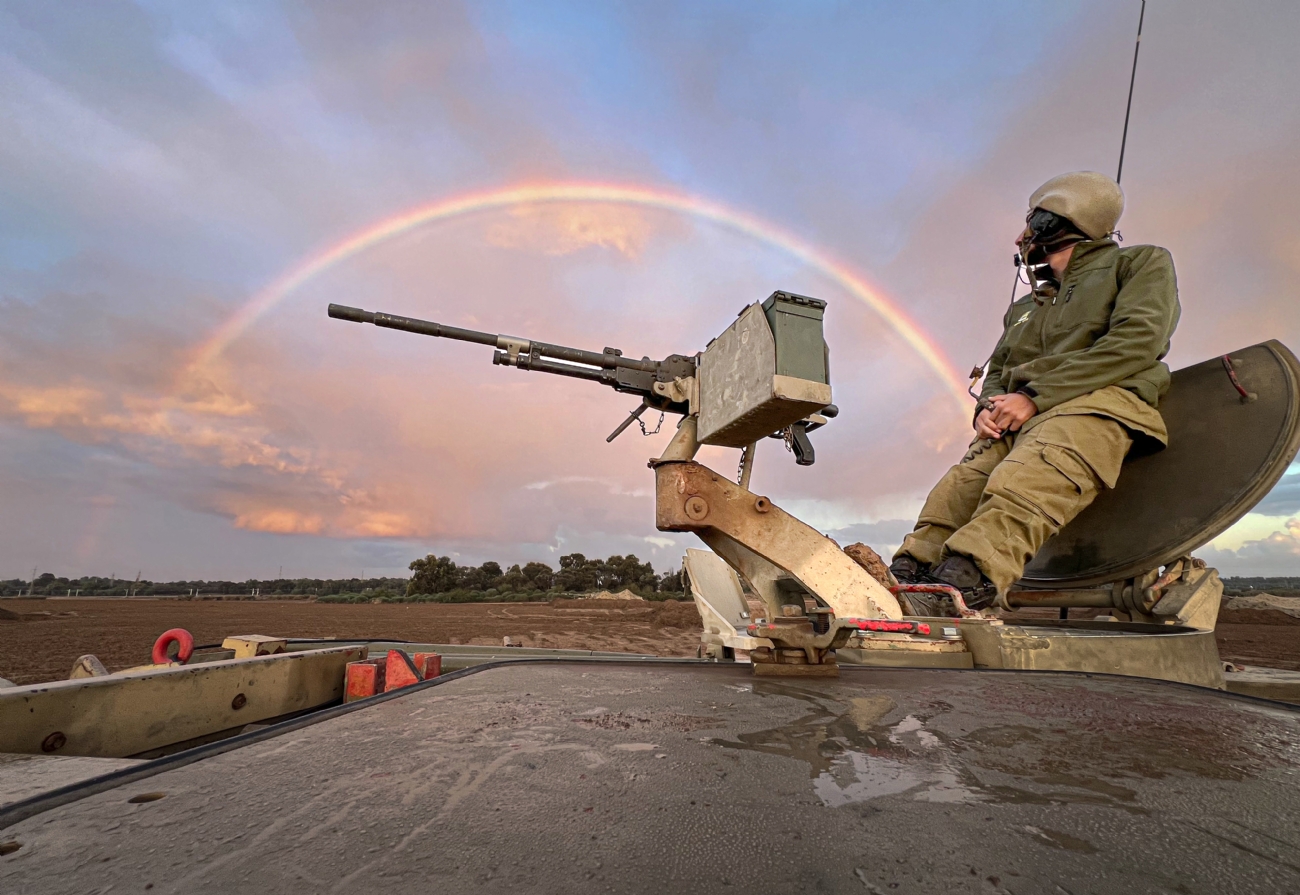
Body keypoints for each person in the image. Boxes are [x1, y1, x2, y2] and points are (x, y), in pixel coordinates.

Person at [890, 171, 1180, 615]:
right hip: (1018, 417)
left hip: (1097, 404)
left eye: (1031, 221)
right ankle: (905, 576)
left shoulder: (1138, 264)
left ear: (1053, 220)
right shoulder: (1028, 306)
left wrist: (1035, 396)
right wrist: (987, 408)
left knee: (1027, 478)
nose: (1020, 236)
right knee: (959, 488)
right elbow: (999, 369)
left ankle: (961, 586)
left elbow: (1137, 344)